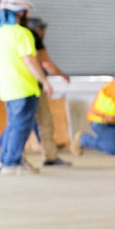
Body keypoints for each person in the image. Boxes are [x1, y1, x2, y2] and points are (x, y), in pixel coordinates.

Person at [0, 0, 48, 176]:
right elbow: (31, 62)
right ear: (20, 13)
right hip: (23, 87)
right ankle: (11, 163)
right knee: (21, 127)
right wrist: (44, 81)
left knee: (13, 125)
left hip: (6, 88)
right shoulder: (22, 33)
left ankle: (5, 160)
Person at [23, 16, 73, 167]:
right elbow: (46, 63)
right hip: (31, 87)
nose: (44, 32)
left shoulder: (18, 37)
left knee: (25, 122)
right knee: (41, 123)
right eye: (42, 29)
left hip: (21, 86)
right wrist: (60, 75)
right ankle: (19, 157)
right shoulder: (33, 37)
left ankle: (47, 157)